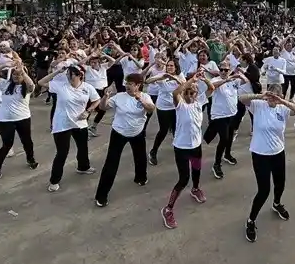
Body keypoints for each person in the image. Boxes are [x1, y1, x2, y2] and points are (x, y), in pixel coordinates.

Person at [239, 85, 295, 242]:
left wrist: (282, 101)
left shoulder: (282, 108)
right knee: (264, 190)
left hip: (278, 152)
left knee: (280, 183)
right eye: (271, 95)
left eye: (277, 95)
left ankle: (277, 203)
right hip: (260, 154)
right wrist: (260, 96)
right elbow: (242, 99)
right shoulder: (258, 105)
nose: (273, 98)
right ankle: (251, 220)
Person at [161, 70, 214, 229]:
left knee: (197, 170)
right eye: (188, 93)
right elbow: (176, 92)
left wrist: (203, 79)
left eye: (194, 93)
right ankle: (168, 209)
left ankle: (195, 189)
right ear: (185, 93)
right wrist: (191, 80)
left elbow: (211, 89)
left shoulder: (199, 103)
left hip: (196, 146)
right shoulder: (180, 105)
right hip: (181, 148)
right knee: (183, 179)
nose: (191, 95)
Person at [94, 73, 156, 207]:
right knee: (111, 163)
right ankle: (101, 195)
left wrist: (141, 100)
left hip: (137, 133)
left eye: (130, 84)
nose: (127, 86)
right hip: (119, 133)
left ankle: (141, 178)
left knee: (140, 157)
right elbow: (103, 107)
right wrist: (105, 97)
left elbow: (151, 109)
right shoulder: (119, 97)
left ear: (138, 85)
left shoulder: (145, 96)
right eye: (126, 83)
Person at [38, 64, 100, 192]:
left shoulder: (88, 88)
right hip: (62, 124)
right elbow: (41, 82)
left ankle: (83, 167)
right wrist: (57, 72)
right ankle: (54, 181)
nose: (67, 76)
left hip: (80, 123)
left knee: (83, 147)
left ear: (79, 75)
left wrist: (88, 111)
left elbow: (96, 100)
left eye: (70, 74)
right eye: (67, 74)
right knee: (62, 153)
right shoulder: (60, 86)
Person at [0, 61, 39, 178]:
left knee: (27, 142)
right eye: (14, 74)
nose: (16, 76)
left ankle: (30, 159)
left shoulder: (27, 88)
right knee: (7, 144)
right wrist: (4, 66)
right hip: (4, 120)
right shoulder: (5, 84)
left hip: (23, 118)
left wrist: (23, 71)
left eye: (19, 74)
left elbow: (31, 84)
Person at [205, 63, 246, 179]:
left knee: (230, 135)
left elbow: (245, 81)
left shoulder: (233, 80)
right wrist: (226, 80)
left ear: (229, 70)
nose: (223, 72)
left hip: (232, 114)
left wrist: (239, 73)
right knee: (224, 138)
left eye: (226, 70)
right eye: (221, 70)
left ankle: (227, 154)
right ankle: (216, 164)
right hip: (219, 115)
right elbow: (212, 87)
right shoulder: (215, 80)